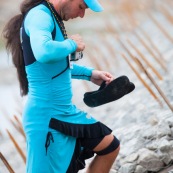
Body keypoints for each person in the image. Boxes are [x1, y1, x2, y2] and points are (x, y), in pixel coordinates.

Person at [3, 0, 120, 172]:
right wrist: (72, 44)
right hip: (46, 119)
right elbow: (44, 52)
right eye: (82, 7)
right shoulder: (39, 16)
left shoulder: (51, 16)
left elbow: (52, 67)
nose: (81, 15)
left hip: (64, 114)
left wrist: (90, 74)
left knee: (110, 147)